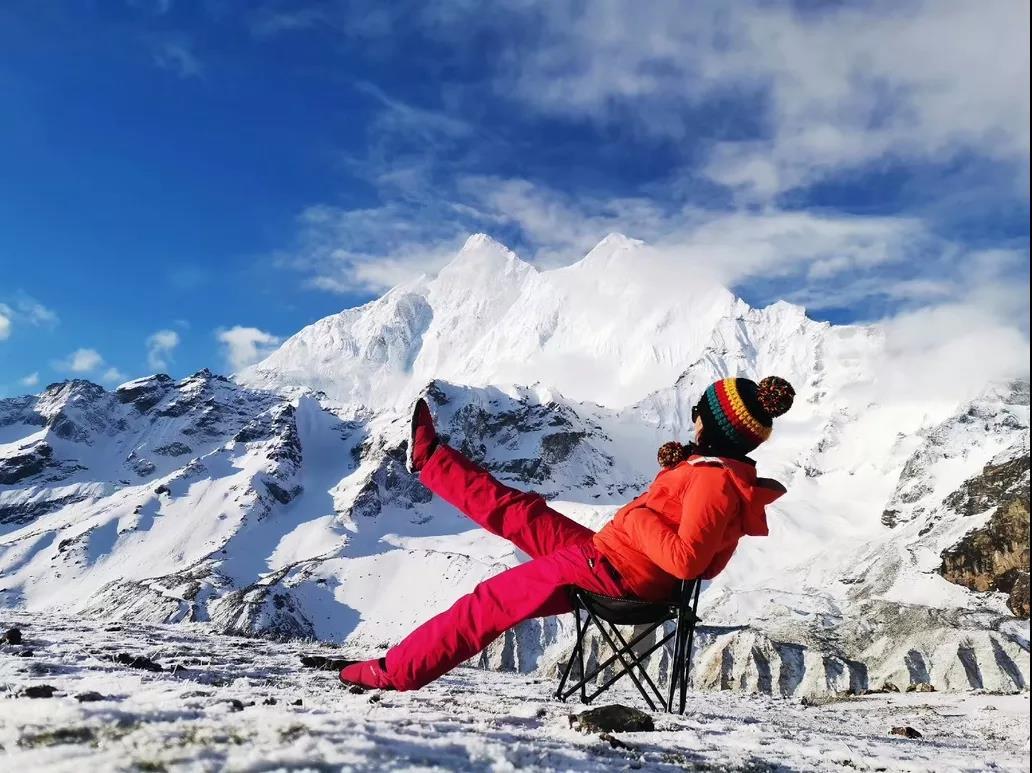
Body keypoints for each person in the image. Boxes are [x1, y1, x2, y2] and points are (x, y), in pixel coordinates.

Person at [339, 376, 795, 691]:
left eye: (700, 412)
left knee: (490, 601)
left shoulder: (715, 480)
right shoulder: (714, 471)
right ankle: (431, 460)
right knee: (522, 514)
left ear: (714, 426)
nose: (693, 418)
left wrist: (637, 519)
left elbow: (689, 561)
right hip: (611, 558)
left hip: (617, 575)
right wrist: (680, 469)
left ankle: (392, 673)